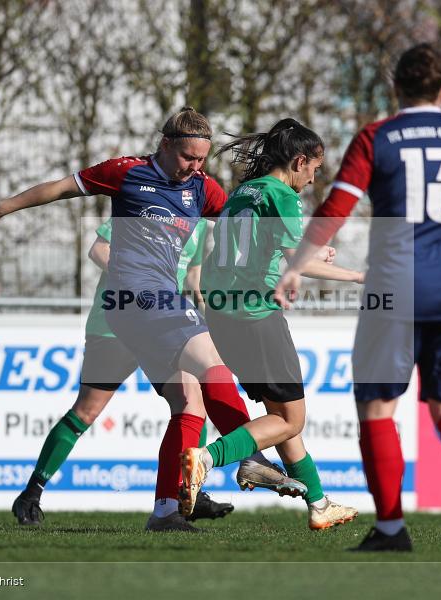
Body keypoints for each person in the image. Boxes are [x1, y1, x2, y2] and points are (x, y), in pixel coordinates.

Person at [0, 107, 305, 533]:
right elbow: (60, 189)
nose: (195, 167)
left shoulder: (202, 189)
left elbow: (240, 224)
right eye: (188, 157)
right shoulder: (127, 173)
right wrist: (1, 207)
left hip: (157, 309)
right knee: (200, 369)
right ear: (165, 144)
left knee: (190, 402)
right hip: (132, 303)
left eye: (202, 159)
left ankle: (166, 510)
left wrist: (286, 248)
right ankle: (250, 457)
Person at [274, 44, 441, 551]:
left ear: (396, 87)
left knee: (377, 407)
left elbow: (337, 206)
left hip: (395, 286)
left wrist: (297, 265)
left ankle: (391, 527)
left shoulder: (378, 137)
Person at [179, 118, 365, 530]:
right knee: (291, 420)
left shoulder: (243, 192)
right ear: (299, 161)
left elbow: (269, 250)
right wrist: (358, 276)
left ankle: (319, 504)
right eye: (314, 169)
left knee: (279, 417)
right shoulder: (282, 195)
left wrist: (311, 254)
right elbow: (296, 262)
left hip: (222, 316)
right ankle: (207, 458)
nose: (312, 179)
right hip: (256, 317)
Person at [9, 219, 233, 526]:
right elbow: (99, 250)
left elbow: (192, 275)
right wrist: (141, 286)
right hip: (113, 324)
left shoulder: (197, 218)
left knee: (192, 402)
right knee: (86, 412)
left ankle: (187, 492)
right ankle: (31, 492)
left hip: (163, 327)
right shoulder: (144, 205)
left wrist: (203, 309)